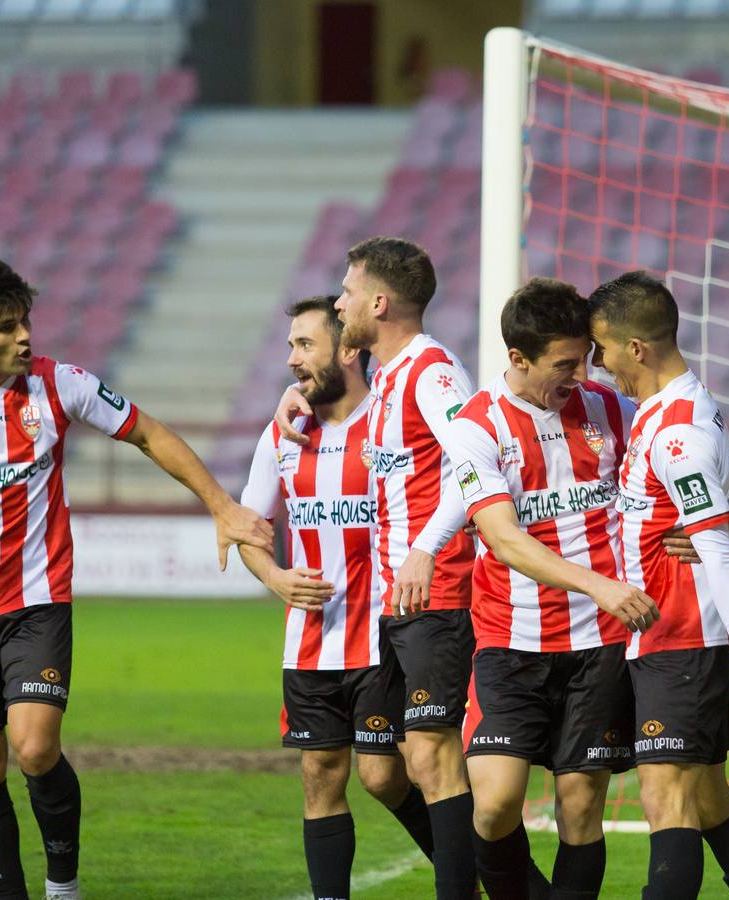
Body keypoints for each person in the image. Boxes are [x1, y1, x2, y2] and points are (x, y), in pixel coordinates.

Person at [0, 255, 274, 900]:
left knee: (33, 748)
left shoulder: (61, 383)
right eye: (6, 327)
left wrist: (221, 505)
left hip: (37, 597)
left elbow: (147, 432)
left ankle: (63, 886)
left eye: (26, 322)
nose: (24, 337)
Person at [416, 278, 694, 899]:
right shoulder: (475, 425)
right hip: (510, 639)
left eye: (586, 359)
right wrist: (600, 584)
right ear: (518, 358)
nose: (580, 374)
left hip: (600, 642)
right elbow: (504, 538)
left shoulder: (609, 408)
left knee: (580, 804)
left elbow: (686, 456)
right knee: (492, 802)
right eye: (564, 364)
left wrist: (692, 525)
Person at [587, 271, 729, 900]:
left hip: (682, 638)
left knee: (667, 801)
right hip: (662, 638)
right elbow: (721, 493)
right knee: (709, 800)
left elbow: (714, 547)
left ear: (637, 349)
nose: (598, 365)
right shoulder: (670, 409)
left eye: (602, 349)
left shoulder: (677, 430)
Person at [275, 237, 481, 899]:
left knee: (428, 755)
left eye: (348, 290)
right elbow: (334, 389)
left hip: (437, 589)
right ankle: (511, 885)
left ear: (380, 302)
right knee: (383, 774)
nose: (340, 301)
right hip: (394, 605)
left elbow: (473, 461)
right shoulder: (386, 377)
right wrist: (295, 393)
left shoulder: (432, 372)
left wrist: (427, 544)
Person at [238, 296, 439, 899]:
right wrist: (273, 577)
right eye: (291, 345)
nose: (292, 359)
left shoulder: (393, 421)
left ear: (348, 349)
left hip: (382, 635)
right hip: (310, 642)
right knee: (320, 772)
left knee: (383, 776)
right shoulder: (283, 432)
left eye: (305, 345)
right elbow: (250, 528)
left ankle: (470, 872)